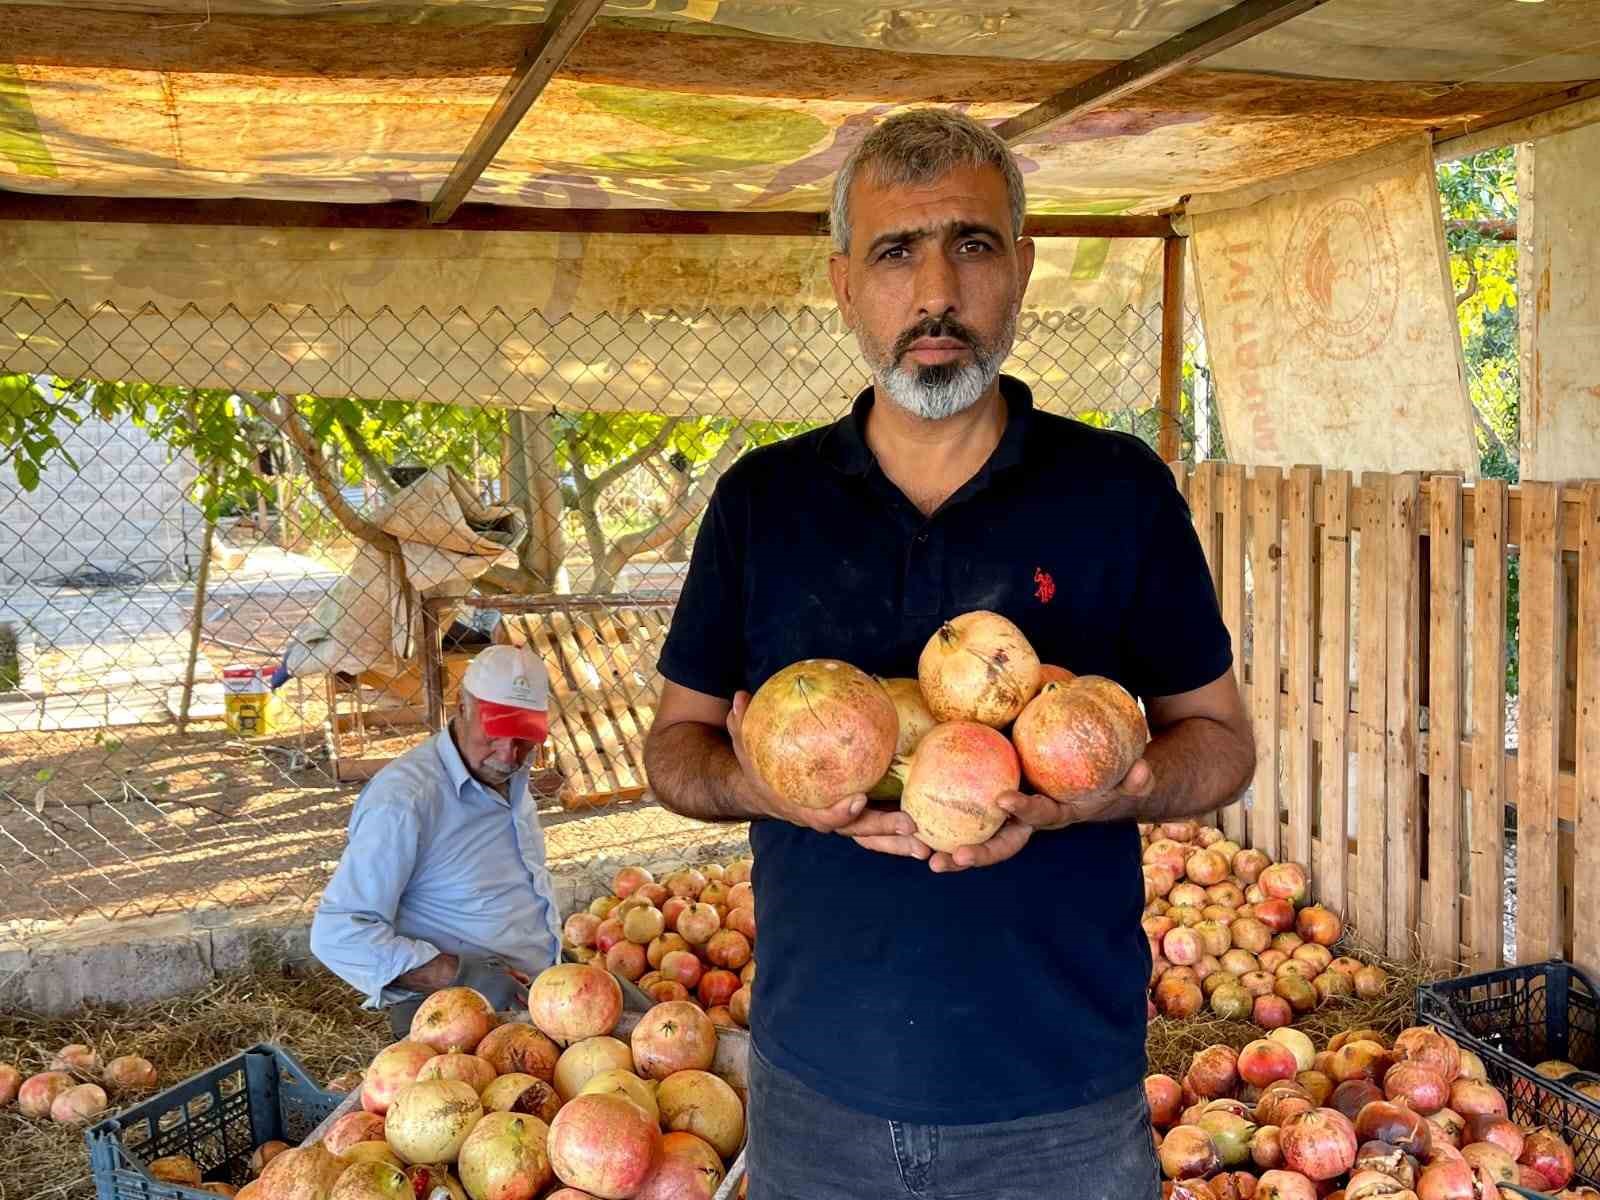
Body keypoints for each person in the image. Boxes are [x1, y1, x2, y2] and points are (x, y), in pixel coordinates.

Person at [643, 109, 1257, 1199]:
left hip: (1061, 1103)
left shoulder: (1116, 492)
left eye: (971, 244)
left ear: (1020, 267)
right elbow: (676, 750)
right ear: (844, 284)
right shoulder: (760, 504)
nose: (936, 291)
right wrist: (769, 786)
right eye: (894, 252)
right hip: (816, 1094)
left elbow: (1222, 744)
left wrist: (1110, 789)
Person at [312, 643, 563, 1036]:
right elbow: (338, 933)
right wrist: (459, 975)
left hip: (543, 999)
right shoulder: (405, 801)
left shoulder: (509, 775)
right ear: (461, 706)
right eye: (496, 732)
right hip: (453, 1022)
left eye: (525, 737)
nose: (509, 755)